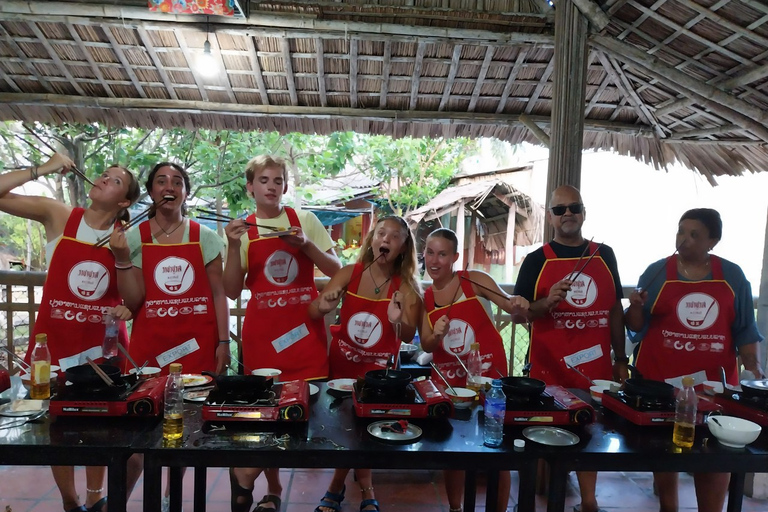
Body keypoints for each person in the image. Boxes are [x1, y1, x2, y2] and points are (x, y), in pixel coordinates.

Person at [0, 152, 140, 512]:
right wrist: (42, 169)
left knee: (101, 425)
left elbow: (136, 295)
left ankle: (97, 498)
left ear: (125, 201)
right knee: (53, 422)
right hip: (53, 342)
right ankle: (69, 500)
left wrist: (128, 305)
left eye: (116, 179)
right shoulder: (60, 215)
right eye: (104, 174)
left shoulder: (128, 237)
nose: (103, 178)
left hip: (103, 347)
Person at [625, 207, 764, 512]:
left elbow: (744, 330)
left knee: (714, 453)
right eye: (680, 231)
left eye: (694, 234)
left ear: (713, 241)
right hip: (662, 383)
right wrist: (634, 307)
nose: (683, 239)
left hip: (713, 386)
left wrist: (752, 363)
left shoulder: (732, 276)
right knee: (665, 450)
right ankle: (669, 507)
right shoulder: (656, 272)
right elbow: (636, 325)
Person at [223, 155, 341, 512]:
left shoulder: (303, 220)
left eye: (278, 181)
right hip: (263, 338)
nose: (271, 187)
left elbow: (337, 270)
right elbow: (231, 290)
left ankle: (245, 474)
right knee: (267, 415)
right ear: (250, 187)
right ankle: (272, 491)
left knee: (307, 414)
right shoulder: (243, 230)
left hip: (305, 335)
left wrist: (305, 244)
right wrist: (231, 244)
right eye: (264, 180)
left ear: (285, 187)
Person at [118, 162, 231, 512]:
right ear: (151, 191)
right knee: (136, 432)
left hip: (196, 348)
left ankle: (172, 500)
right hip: (149, 350)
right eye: (161, 181)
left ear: (186, 191)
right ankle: (117, 502)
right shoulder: (135, 238)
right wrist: (121, 256)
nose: (170, 186)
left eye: (178, 182)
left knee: (187, 432)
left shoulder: (204, 236)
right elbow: (134, 300)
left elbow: (217, 294)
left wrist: (224, 343)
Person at [514, 185, 628, 512]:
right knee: (544, 434)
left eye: (574, 208)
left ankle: (589, 501)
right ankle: (542, 498)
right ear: (550, 217)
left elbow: (614, 310)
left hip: (594, 368)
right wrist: (547, 302)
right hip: (548, 367)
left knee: (589, 435)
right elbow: (521, 313)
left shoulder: (603, 254)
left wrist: (621, 359)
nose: (568, 214)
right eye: (560, 209)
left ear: (584, 213)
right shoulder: (536, 260)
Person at [309, 214, 422, 512]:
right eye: (380, 233)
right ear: (372, 241)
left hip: (379, 375)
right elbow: (314, 311)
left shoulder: (407, 286)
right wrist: (325, 303)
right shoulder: (350, 273)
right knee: (345, 430)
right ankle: (363, 491)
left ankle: (337, 490)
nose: (385, 239)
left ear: (403, 247)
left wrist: (398, 319)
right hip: (342, 368)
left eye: (394, 236)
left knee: (367, 431)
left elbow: (409, 334)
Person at [420, 227, 529, 512]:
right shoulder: (426, 298)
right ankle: (456, 507)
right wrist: (437, 334)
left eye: (442, 254)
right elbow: (428, 344)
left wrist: (518, 304)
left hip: (489, 380)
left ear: (455, 256)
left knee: (498, 451)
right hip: (450, 385)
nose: (435, 260)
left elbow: (508, 303)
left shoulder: (474, 280)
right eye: (430, 253)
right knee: (451, 451)